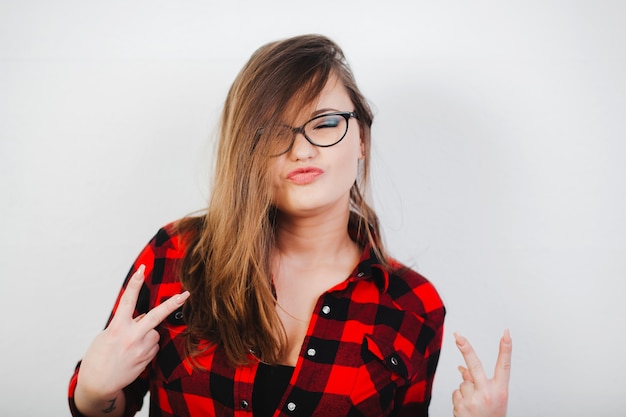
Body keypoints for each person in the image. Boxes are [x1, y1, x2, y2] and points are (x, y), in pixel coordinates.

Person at [68, 34, 510, 417]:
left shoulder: (413, 306)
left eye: (325, 123)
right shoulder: (177, 254)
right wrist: (95, 389)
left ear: (361, 139)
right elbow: (106, 407)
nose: (301, 150)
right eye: (274, 132)